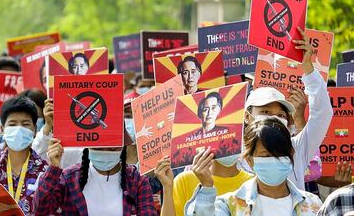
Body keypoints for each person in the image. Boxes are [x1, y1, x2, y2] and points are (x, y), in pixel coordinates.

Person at [243, 27, 333, 190]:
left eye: (280, 114)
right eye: (265, 112)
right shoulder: (233, 156)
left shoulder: (297, 149)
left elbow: (322, 113)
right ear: (247, 116)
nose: (274, 118)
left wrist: (307, 67)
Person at [184, 117, 322, 215]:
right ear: (250, 161)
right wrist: (207, 187)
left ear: (291, 154)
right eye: (265, 156)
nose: (274, 160)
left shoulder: (312, 204)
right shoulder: (229, 205)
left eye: (280, 154)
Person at [0, 97, 48, 215]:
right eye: (12, 124)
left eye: (25, 124)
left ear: (35, 130)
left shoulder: (45, 171)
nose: (19, 129)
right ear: (2, 129)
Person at [34, 142, 156, 215]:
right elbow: (41, 209)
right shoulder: (69, 178)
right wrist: (54, 168)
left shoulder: (138, 182)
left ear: (122, 146)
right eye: (98, 147)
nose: (105, 151)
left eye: (112, 147)